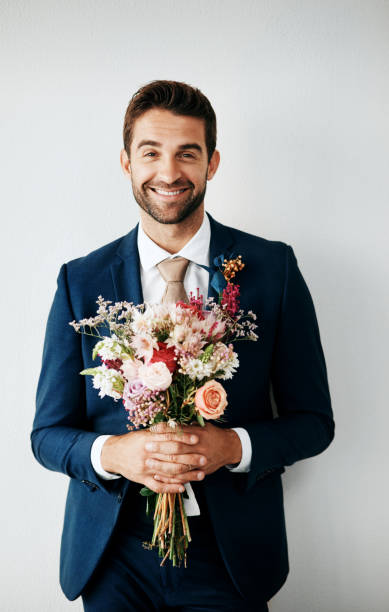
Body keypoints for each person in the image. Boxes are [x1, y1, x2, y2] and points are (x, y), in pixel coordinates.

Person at [31, 80, 334, 611]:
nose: (169, 173)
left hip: (231, 558)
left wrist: (232, 447)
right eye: (151, 152)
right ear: (126, 162)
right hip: (112, 557)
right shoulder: (80, 281)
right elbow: (47, 434)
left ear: (212, 163)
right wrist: (113, 454)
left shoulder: (273, 269)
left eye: (187, 154)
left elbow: (313, 422)